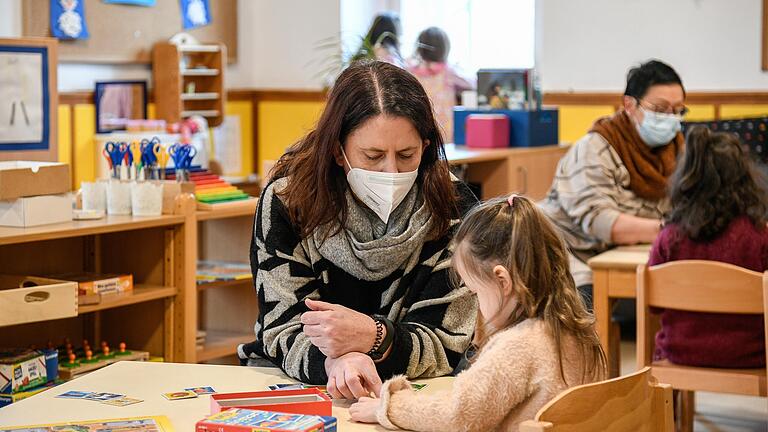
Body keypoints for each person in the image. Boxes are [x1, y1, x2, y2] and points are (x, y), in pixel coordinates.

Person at [238, 60, 479, 399]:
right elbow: (282, 327)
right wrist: (339, 362)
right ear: (339, 151)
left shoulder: (452, 207)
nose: (391, 171)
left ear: (425, 148)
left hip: (412, 390)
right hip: (302, 382)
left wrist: (374, 337)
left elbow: (447, 340)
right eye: (373, 156)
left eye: (407, 155)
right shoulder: (288, 202)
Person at [349, 195, 606, 431]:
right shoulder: (575, 330)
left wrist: (391, 406)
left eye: (476, 292)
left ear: (503, 281)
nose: (478, 306)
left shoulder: (518, 347)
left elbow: (458, 416)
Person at [539, 59, 687, 307]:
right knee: (586, 309)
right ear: (629, 105)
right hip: (567, 252)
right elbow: (600, 220)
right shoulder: (594, 149)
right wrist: (668, 230)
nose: (670, 119)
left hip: (624, 252)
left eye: (678, 110)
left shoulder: (677, 151)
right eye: (660, 109)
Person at [649, 126, 768, 368]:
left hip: (679, 351)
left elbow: (654, 305)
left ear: (685, 180)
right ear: (744, 179)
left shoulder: (669, 238)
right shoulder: (759, 236)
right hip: (751, 354)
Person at [407, 27, 474, 142]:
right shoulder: (448, 72)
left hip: (419, 132)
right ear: (444, 49)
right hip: (445, 134)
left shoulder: (410, 72)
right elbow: (472, 84)